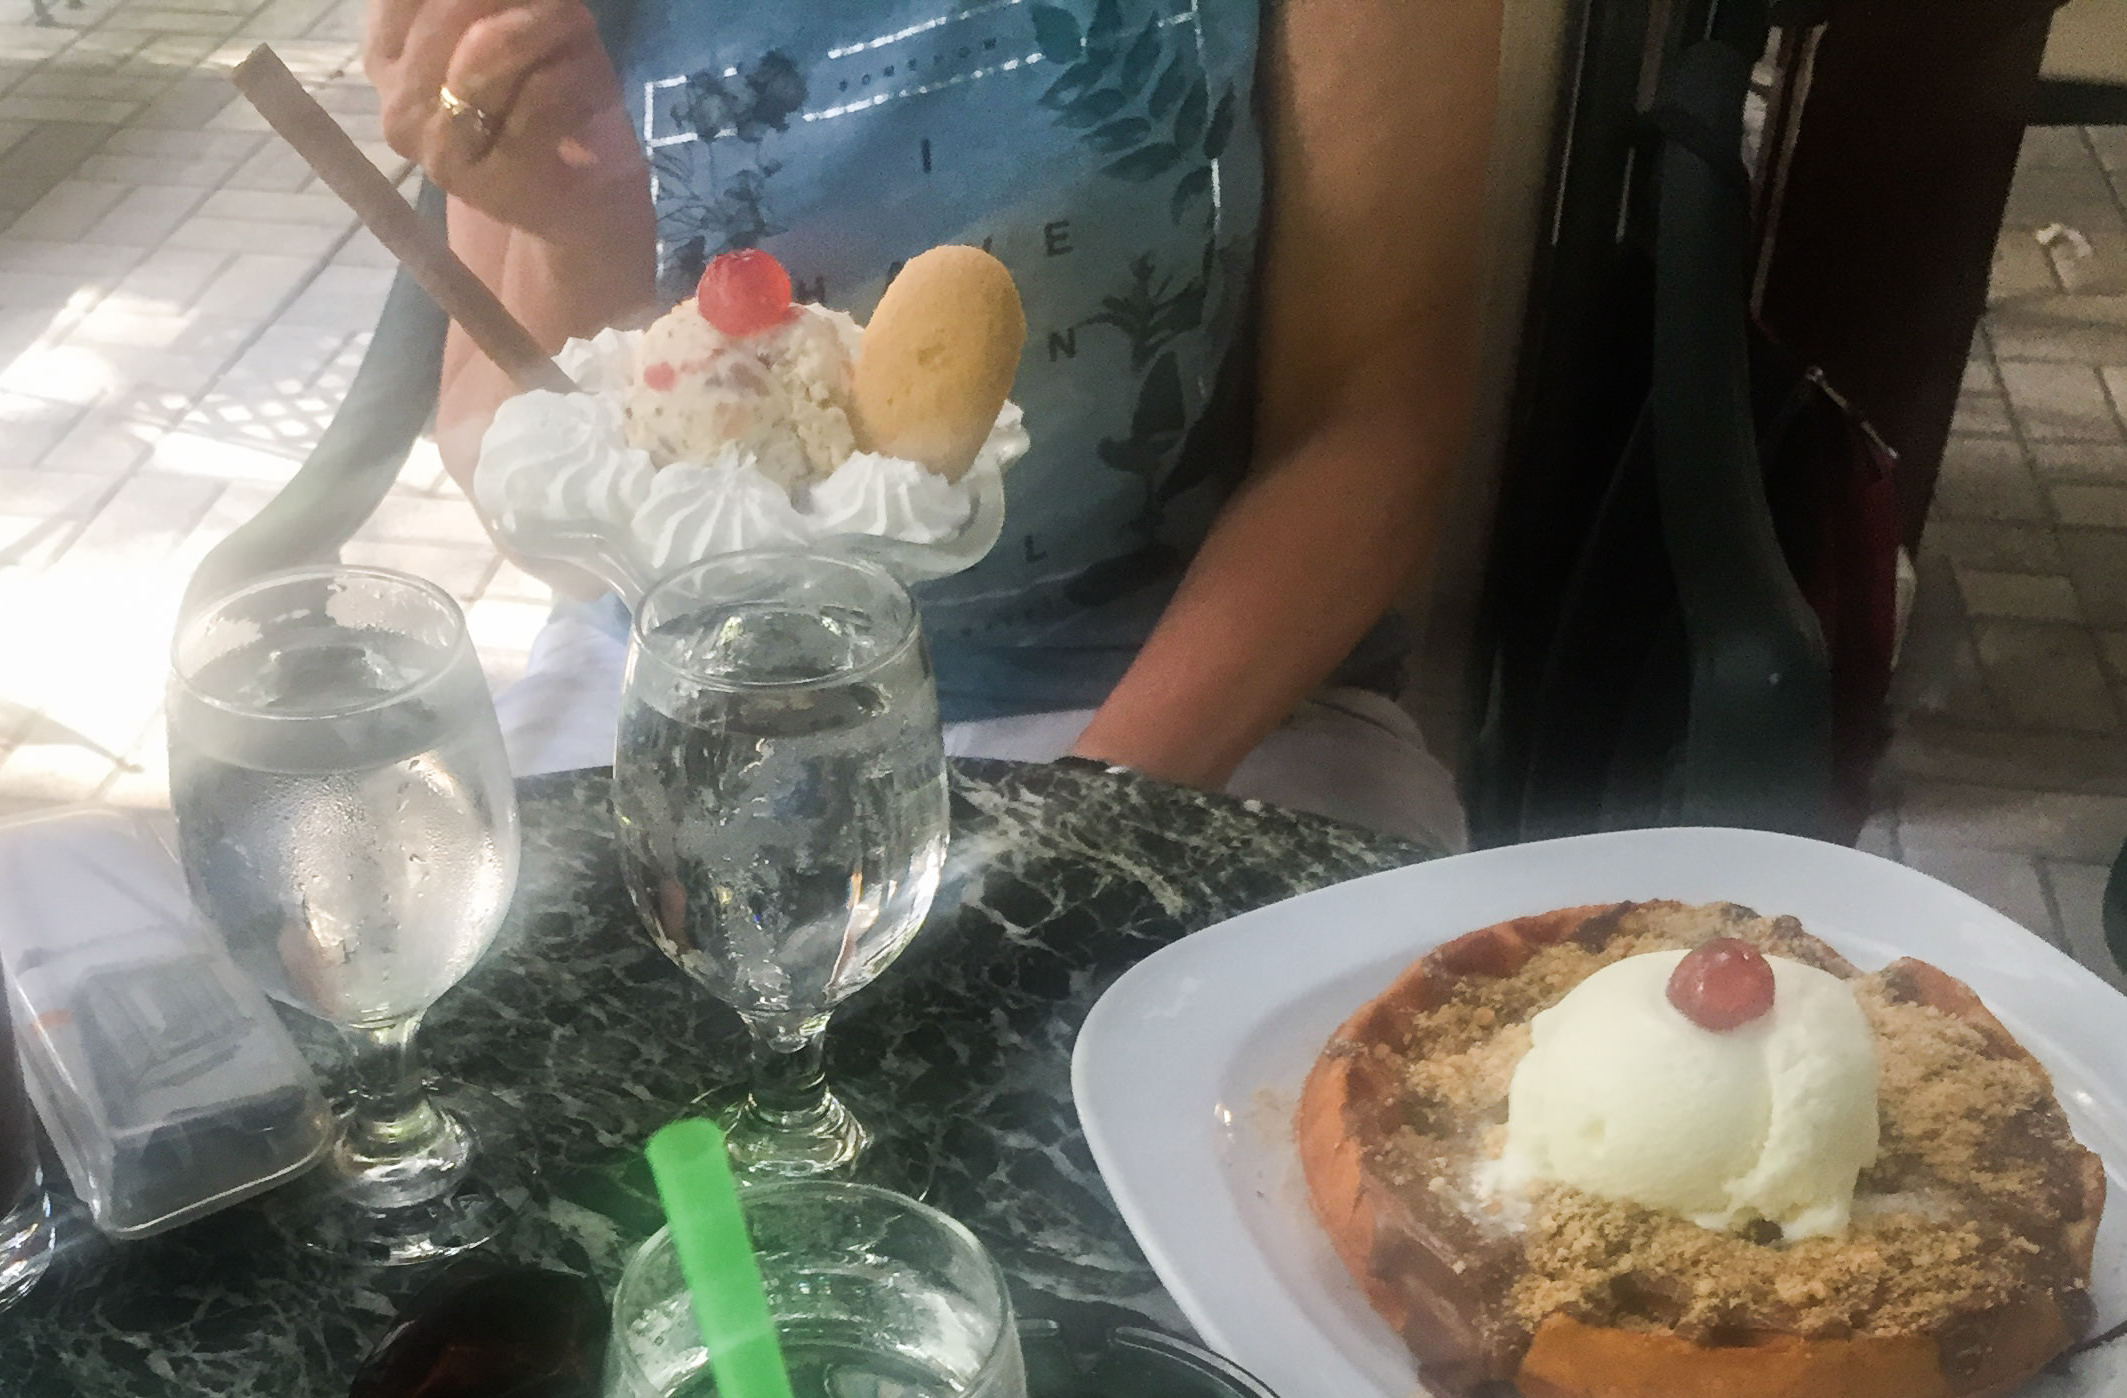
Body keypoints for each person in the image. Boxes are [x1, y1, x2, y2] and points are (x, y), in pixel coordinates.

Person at [364, 0, 1501, 849]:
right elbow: (547, 528)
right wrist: (573, 232)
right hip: (684, 695)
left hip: (1186, 710)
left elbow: (1371, 417)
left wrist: (1071, 831)